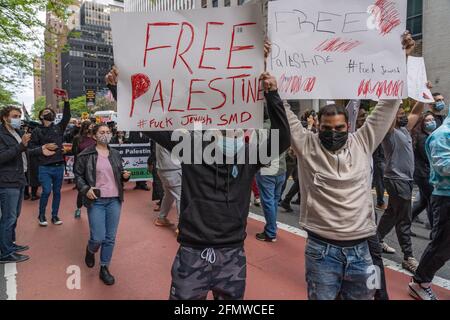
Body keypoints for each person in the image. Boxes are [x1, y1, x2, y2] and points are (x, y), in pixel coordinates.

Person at [105, 66, 291, 299]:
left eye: (236, 123)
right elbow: (149, 124)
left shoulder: (249, 156)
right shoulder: (192, 148)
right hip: (192, 252)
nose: (229, 127)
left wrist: (272, 94)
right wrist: (117, 87)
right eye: (224, 122)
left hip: (232, 254)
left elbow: (283, 139)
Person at [282, 31, 413, 301]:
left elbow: (388, 103)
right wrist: (268, 64)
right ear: (317, 127)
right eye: (327, 128)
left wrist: (402, 58)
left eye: (340, 127)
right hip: (321, 252)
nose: (334, 132)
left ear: (348, 127)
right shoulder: (307, 145)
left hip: (362, 251)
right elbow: (282, 109)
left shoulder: (363, 140)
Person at [74, 124, 131, 285]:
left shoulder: (115, 154)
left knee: (110, 238)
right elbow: (78, 175)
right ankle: (91, 249)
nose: (105, 134)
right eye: (102, 132)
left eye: (108, 132)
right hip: (96, 201)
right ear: (94, 135)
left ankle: (104, 267)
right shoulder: (86, 154)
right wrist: (85, 189)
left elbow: (119, 174)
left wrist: (124, 176)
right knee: (98, 237)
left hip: (114, 200)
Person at [0, 106, 55, 264]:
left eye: (19, 115)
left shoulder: (16, 133)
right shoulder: (1, 134)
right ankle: (5, 253)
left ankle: (9, 245)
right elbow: (3, 156)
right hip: (6, 181)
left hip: (18, 179)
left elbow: (25, 152)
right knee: (8, 218)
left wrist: (41, 149)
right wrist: (21, 146)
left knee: (14, 216)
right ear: (5, 117)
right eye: (14, 116)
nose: (18, 118)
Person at [376, 98, 425, 272]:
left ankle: (376, 240)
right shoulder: (389, 132)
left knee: (391, 213)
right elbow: (388, 116)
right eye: (400, 114)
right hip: (396, 180)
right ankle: (408, 256)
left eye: (403, 113)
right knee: (404, 218)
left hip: (406, 180)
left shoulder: (404, 129)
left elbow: (416, 112)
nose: (403, 116)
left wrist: (421, 95)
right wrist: (394, 100)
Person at [408, 108, 450, 300]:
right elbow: (442, 165)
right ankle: (420, 282)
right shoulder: (441, 135)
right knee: (442, 244)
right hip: (445, 197)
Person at [29, 90, 71, 226]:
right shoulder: (36, 131)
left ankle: (55, 215)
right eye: (46, 112)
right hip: (44, 167)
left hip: (59, 166)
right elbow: (31, 150)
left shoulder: (59, 127)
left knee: (57, 192)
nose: (49, 113)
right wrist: (44, 148)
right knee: (46, 191)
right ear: (41, 116)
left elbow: (66, 117)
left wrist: (66, 101)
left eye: (50, 111)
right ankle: (41, 215)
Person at [255, 114, 287, 242]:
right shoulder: (282, 126)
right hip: (282, 169)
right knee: (273, 200)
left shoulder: (260, 129)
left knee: (268, 201)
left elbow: (255, 150)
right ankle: (272, 226)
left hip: (266, 170)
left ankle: (271, 231)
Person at [411, 112, 437, 234]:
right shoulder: (423, 138)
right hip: (423, 174)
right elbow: (428, 157)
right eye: (427, 120)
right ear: (422, 123)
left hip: (423, 173)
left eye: (432, 119)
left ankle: (404, 225)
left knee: (422, 202)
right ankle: (435, 230)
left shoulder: (428, 135)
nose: (431, 122)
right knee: (432, 201)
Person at [153, 142, 182, 231]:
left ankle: (161, 218)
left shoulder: (161, 132)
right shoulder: (170, 132)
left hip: (164, 169)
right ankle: (181, 226)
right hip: (172, 169)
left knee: (169, 194)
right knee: (180, 196)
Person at [72, 120, 96, 218]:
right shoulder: (77, 138)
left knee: (94, 188)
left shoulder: (96, 138)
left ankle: (94, 209)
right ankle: (78, 208)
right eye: (90, 126)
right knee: (82, 190)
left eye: (93, 126)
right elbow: (75, 152)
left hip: (94, 168)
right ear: (85, 127)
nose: (92, 128)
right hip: (81, 168)